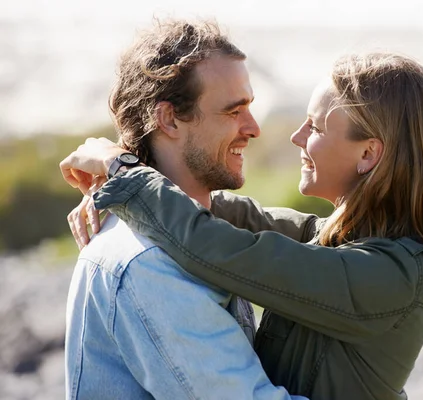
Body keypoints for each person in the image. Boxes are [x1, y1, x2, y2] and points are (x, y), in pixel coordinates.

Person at [61, 52, 423, 399]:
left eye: (316, 126)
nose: (296, 136)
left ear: (368, 155)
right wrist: (135, 173)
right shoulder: (345, 242)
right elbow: (242, 216)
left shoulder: (386, 276)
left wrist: (123, 170)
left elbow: (224, 249)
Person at [61, 18, 306, 400]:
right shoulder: (149, 263)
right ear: (170, 118)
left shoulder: (189, 233)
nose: (254, 128)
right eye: (233, 111)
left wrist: (119, 172)